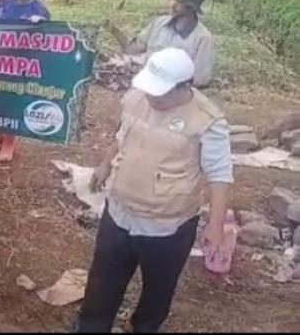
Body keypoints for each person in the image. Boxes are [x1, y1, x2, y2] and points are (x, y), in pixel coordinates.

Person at [76, 47, 232, 333]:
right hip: (119, 213)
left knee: (158, 290)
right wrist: (105, 165)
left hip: (167, 227)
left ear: (184, 86)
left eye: (159, 93)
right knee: (102, 283)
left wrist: (215, 227)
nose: (151, 97)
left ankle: (145, 327)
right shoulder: (137, 98)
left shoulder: (207, 120)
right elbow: (123, 135)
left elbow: (219, 175)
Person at [0, 0, 52, 162]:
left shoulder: (39, 9)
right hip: (1, 61)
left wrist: (39, 25)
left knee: (13, 99)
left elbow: (48, 37)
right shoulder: (7, 4)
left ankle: (9, 141)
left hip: (22, 64)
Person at [125, 0, 215, 87]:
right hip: (147, 89)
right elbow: (132, 49)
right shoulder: (158, 24)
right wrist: (114, 30)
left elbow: (200, 80)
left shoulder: (203, 39)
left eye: (179, 2)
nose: (172, 4)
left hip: (176, 99)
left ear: (191, 8)